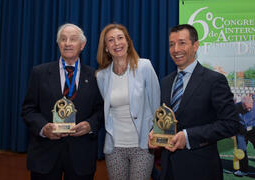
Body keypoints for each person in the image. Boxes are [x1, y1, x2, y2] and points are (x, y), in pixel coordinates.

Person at [148, 24, 240, 180]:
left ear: (195, 45)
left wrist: (188, 136)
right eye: (171, 44)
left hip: (200, 170)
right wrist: (155, 134)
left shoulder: (214, 80)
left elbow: (231, 124)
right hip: (168, 169)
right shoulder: (165, 82)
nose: (176, 49)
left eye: (182, 43)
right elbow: (166, 119)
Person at [21, 23, 104, 180]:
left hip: (81, 156)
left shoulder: (96, 76)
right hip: (45, 155)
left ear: (82, 45)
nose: (67, 43)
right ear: (58, 43)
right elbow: (28, 110)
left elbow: (101, 111)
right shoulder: (39, 73)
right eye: (63, 39)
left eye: (73, 39)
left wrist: (90, 125)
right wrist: (43, 128)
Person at [96, 23, 160, 180]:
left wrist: (157, 132)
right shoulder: (101, 76)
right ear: (106, 47)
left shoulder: (145, 66)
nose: (116, 43)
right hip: (114, 147)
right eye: (111, 40)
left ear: (128, 42)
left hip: (143, 145)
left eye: (120, 38)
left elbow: (157, 105)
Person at [234, 94, 255, 177]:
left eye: (251, 107)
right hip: (241, 131)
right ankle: (243, 170)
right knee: (241, 150)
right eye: (247, 107)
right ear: (242, 104)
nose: (249, 109)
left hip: (253, 130)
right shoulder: (235, 107)